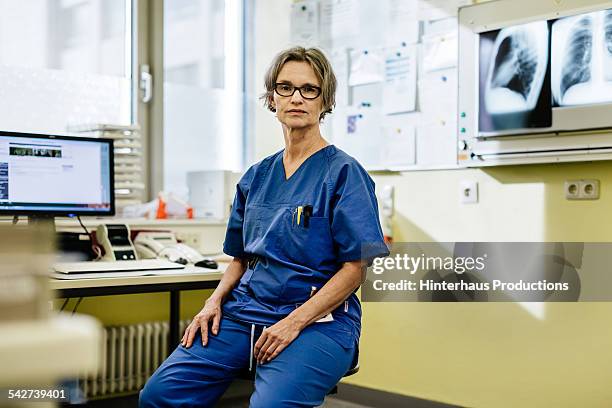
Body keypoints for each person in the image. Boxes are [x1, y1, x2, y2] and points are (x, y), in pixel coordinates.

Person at [139, 46, 389, 408]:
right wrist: (212, 303)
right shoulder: (256, 176)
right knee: (160, 396)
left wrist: (293, 323)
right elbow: (240, 258)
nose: (296, 98)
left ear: (325, 99)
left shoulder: (345, 173)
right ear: (272, 97)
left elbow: (355, 270)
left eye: (309, 89)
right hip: (245, 312)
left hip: (318, 320)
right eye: (285, 87)